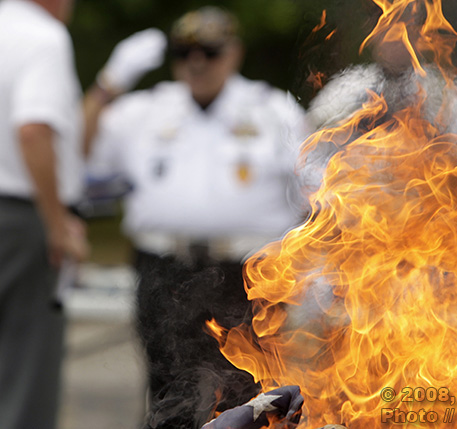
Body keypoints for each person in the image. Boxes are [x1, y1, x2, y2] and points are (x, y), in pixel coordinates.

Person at [85, 6, 309, 427]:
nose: (197, 61)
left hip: (246, 275)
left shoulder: (271, 109)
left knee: (251, 393)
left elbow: (315, 190)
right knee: (170, 392)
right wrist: (107, 85)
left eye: (209, 50)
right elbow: (76, 155)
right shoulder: (144, 110)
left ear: (233, 53)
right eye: (184, 50)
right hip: (165, 272)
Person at [0, 0, 88, 428]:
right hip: (18, 218)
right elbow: (33, 129)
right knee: (26, 367)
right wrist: (57, 225)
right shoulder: (41, 36)